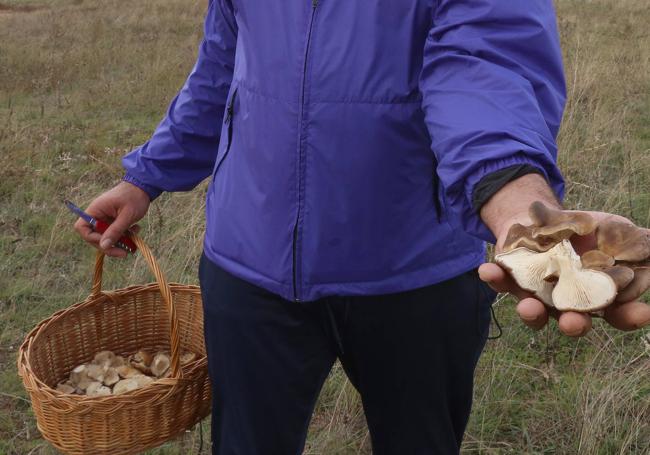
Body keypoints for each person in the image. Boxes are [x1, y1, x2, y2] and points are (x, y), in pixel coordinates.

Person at [74, 1, 650, 453]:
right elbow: (223, 70)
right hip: (248, 267)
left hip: (413, 276)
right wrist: (145, 177)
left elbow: (486, 71)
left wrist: (520, 212)